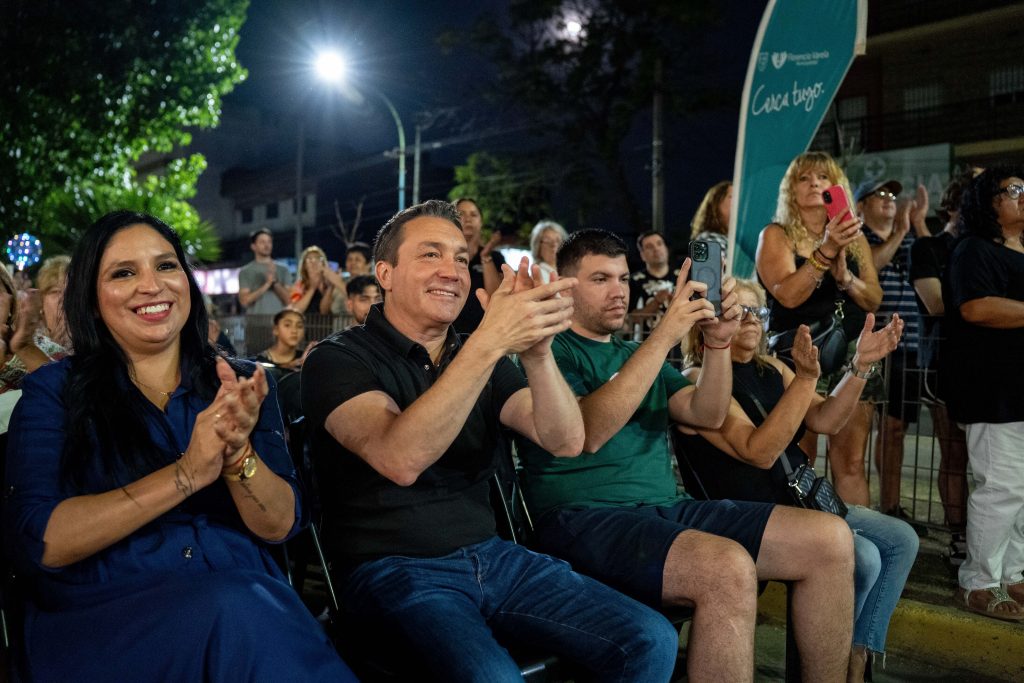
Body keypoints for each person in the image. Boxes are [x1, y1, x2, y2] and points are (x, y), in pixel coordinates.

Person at [301, 200, 679, 682]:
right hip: (393, 569)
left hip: (495, 555)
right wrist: (488, 341)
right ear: (385, 273)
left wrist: (538, 354)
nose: (452, 271)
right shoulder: (339, 359)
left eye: (460, 257)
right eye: (430, 255)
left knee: (650, 637)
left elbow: (565, 439)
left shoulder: (480, 357)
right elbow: (400, 457)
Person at [4, 210, 355, 681]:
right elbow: (43, 540)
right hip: (109, 618)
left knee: (247, 608)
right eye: (124, 273)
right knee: (240, 611)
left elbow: (280, 525)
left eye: (166, 266)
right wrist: (185, 475)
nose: (152, 285)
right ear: (90, 297)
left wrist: (236, 455)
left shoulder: (240, 383)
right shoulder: (54, 392)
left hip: (250, 604)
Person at [516, 229, 856, 682]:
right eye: (600, 279)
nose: (619, 290)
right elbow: (588, 432)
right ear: (566, 285)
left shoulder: (635, 353)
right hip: (582, 517)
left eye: (622, 277)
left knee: (830, 540)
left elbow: (707, 412)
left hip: (662, 510)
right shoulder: (547, 351)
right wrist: (666, 335)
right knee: (727, 569)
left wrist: (717, 344)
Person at [677, 279, 917, 682]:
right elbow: (760, 451)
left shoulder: (772, 368)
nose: (752, 321)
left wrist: (859, 367)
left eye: (759, 312)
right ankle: (823, 669)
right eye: (742, 311)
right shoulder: (698, 379)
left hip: (800, 498)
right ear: (711, 321)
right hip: (750, 511)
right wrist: (806, 380)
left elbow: (826, 420)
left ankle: (856, 654)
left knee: (900, 540)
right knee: (865, 557)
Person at [756, 151, 882, 505]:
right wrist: (826, 251)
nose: (815, 184)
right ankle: (803, 544)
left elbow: (873, 298)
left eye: (823, 178)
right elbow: (788, 295)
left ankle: (860, 544)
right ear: (791, 191)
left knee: (852, 462)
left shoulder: (854, 239)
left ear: (836, 186)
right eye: (804, 178)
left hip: (854, 353)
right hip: (799, 354)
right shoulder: (776, 235)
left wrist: (845, 279)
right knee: (800, 458)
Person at [944, 168, 1024, 622]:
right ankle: (978, 582)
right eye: (1014, 190)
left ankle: (1012, 574)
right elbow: (976, 307)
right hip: (995, 392)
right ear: (987, 202)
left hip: (1019, 392)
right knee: (1002, 489)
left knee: (1023, 492)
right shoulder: (974, 250)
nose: (1023, 197)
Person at [855, 178, 930, 532]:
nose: (888, 200)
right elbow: (872, 267)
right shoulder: (860, 239)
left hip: (909, 345)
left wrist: (916, 225)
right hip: (876, 347)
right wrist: (900, 232)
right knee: (866, 427)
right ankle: (866, 507)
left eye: (891, 195)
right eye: (879, 195)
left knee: (897, 428)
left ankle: (892, 505)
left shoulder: (911, 237)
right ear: (861, 205)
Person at [909, 173, 973, 566]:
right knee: (954, 454)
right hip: (942, 363)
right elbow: (935, 304)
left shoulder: (988, 247)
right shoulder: (929, 247)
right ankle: (958, 535)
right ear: (952, 205)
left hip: (986, 365)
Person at [451, 197, 505, 334]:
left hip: (485, 334)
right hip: (449, 335)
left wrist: (485, 257)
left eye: (474, 215)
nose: (468, 219)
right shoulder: (443, 257)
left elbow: (497, 301)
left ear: (481, 222)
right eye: (461, 214)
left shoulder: (495, 258)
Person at [237, 227, 291, 353]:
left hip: (280, 326)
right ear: (253, 246)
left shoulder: (283, 269)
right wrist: (266, 284)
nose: (267, 245)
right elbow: (244, 301)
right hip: (256, 326)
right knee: (256, 362)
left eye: (269, 242)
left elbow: (289, 300)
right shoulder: (246, 271)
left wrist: (275, 282)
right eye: (262, 242)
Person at [628, 230, 679, 336]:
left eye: (659, 244)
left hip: (679, 345)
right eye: (649, 246)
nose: (656, 249)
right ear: (642, 255)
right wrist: (656, 303)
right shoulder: (634, 281)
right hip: (645, 345)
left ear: (666, 248)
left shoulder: (682, 276)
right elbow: (630, 319)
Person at [290, 245, 344, 317]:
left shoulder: (329, 284)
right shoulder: (299, 285)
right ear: (304, 266)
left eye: (318, 258)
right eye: (309, 259)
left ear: (323, 263)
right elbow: (296, 310)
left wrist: (329, 288)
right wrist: (312, 288)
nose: (314, 262)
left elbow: (324, 311)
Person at [36, 255, 71, 350]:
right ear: (41, 301)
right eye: (55, 292)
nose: (63, 299)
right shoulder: (29, 343)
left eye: (71, 291)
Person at [255, 308, 305, 375]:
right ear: (275, 329)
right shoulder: (262, 360)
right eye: (287, 325)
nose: (294, 331)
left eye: (299, 326)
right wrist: (287, 367)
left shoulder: (304, 359)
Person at [690, 180, 732, 256]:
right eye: (731, 196)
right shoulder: (706, 240)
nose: (738, 201)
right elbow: (710, 267)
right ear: (715, 204)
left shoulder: (739, 244)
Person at [528, 219, 569, 283]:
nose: (554, 244)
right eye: (547, 241)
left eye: (558, 240)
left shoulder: (571, 271)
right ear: (538, 247)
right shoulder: (538, 275)